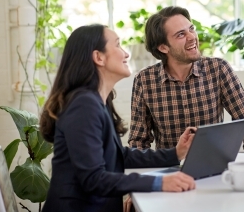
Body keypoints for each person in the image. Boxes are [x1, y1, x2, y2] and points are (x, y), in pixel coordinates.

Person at [40, 24, 196, 212]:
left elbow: (117, 155)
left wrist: (175, 153)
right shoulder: (83, 105)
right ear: (99, 57)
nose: (126, 54)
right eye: (118, 46)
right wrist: (159, 182)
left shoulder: (97, 100)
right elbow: (93, 179)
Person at [128, 6, 244, 153]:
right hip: (170, 171)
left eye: (191, 29)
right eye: (181, 34)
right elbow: (138, 141)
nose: (192, 37)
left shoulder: (218, 69)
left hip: (215, 167)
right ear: (163, 48)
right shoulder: (144, 80)